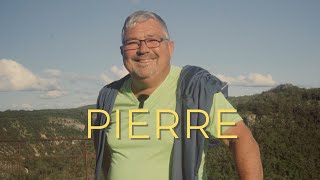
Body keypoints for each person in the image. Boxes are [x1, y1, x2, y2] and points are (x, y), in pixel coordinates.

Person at [94, 10, 263, 180]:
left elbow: (240, 138)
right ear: (122, 51)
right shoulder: (108, 97)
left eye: (153, 40)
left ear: (170, 47)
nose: (143, 49)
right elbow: (106, 156)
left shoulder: (195, 90)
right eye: (132, 43)